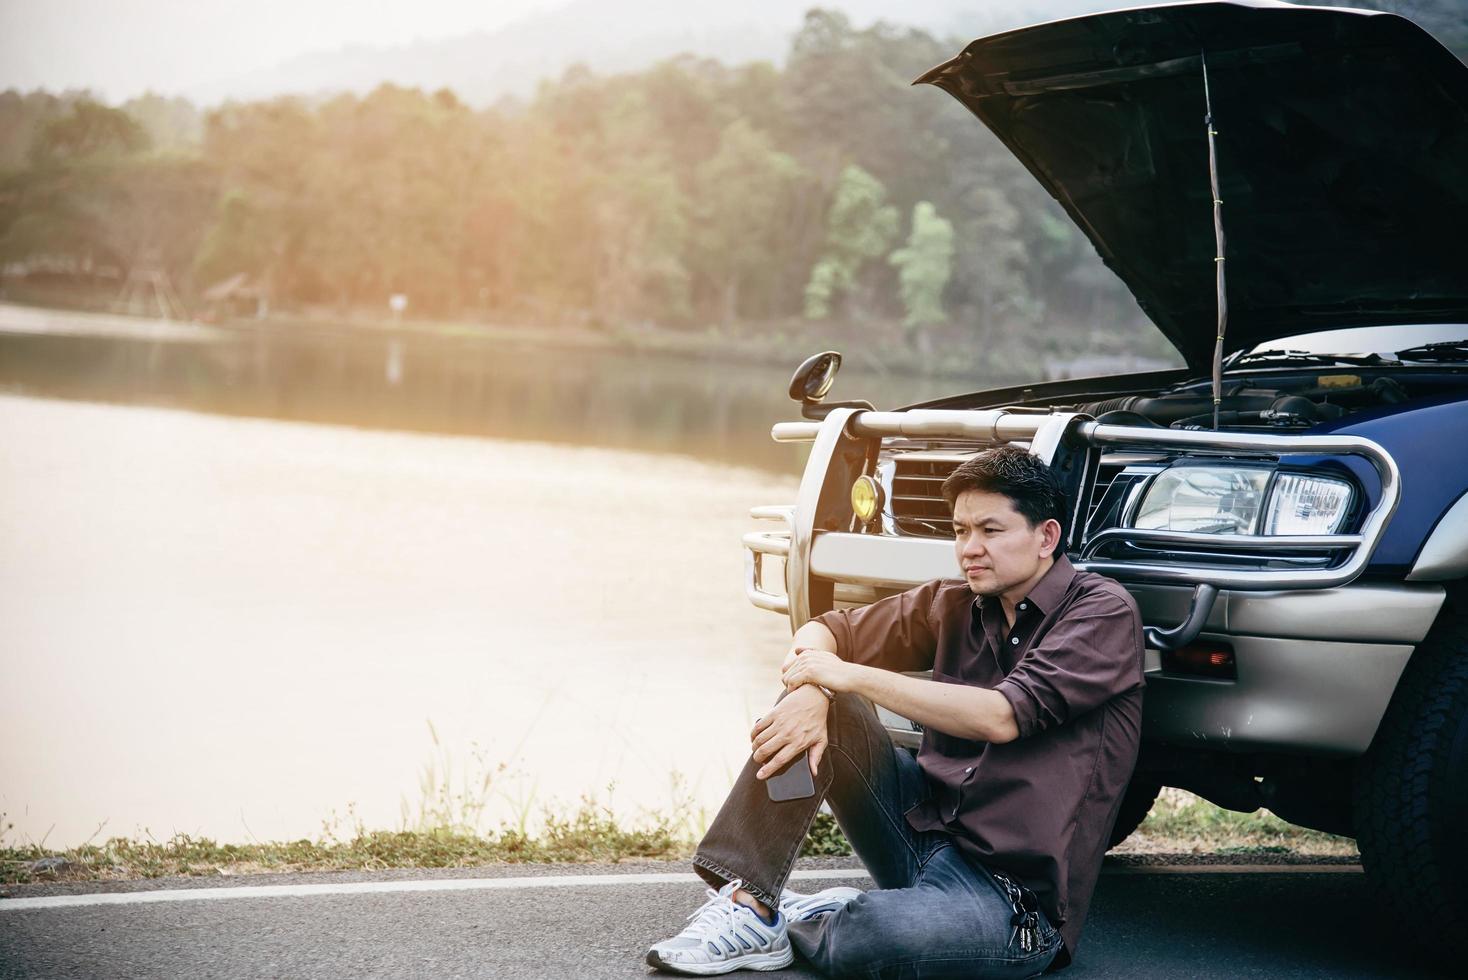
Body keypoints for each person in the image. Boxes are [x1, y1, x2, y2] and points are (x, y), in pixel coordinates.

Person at [646, 445, 1145, 977]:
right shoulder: (954, 603)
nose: (969, 549)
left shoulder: (1102, 613)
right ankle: (752, 906)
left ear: (1046, 537)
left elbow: (1001, 714)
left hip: (1011, 900)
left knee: (874, 936)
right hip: (921, 835)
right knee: (815, 705)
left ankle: (823, 916)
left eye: (990, 531)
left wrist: (847, 675)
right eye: (959, 531)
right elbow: (825, 632)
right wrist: (816, 688)